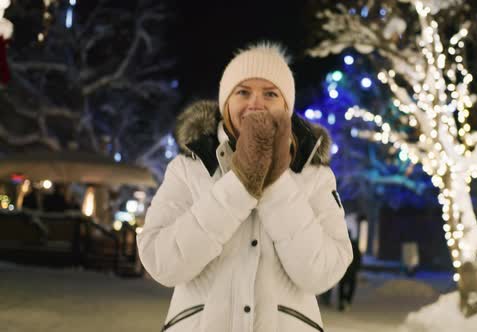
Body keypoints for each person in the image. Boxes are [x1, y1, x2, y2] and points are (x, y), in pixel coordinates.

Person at [137, 42, 353, 332]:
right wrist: (239, 186)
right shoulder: (190, 167)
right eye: (243, 92)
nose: (256, 103)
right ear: (226, 102)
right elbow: (161, 262)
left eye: (270, 94)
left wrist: (275, 182)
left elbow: (323, 273)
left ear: (286, 107)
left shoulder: (313, 175)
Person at [338, 213, 363, 311]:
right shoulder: (354, 245)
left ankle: (342, 301)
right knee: (351, 286)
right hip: (351, 270)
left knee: (343, 285)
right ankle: (347, 301)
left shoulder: (342, 245)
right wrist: (358, 268)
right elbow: (358, 258)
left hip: (345, 269)